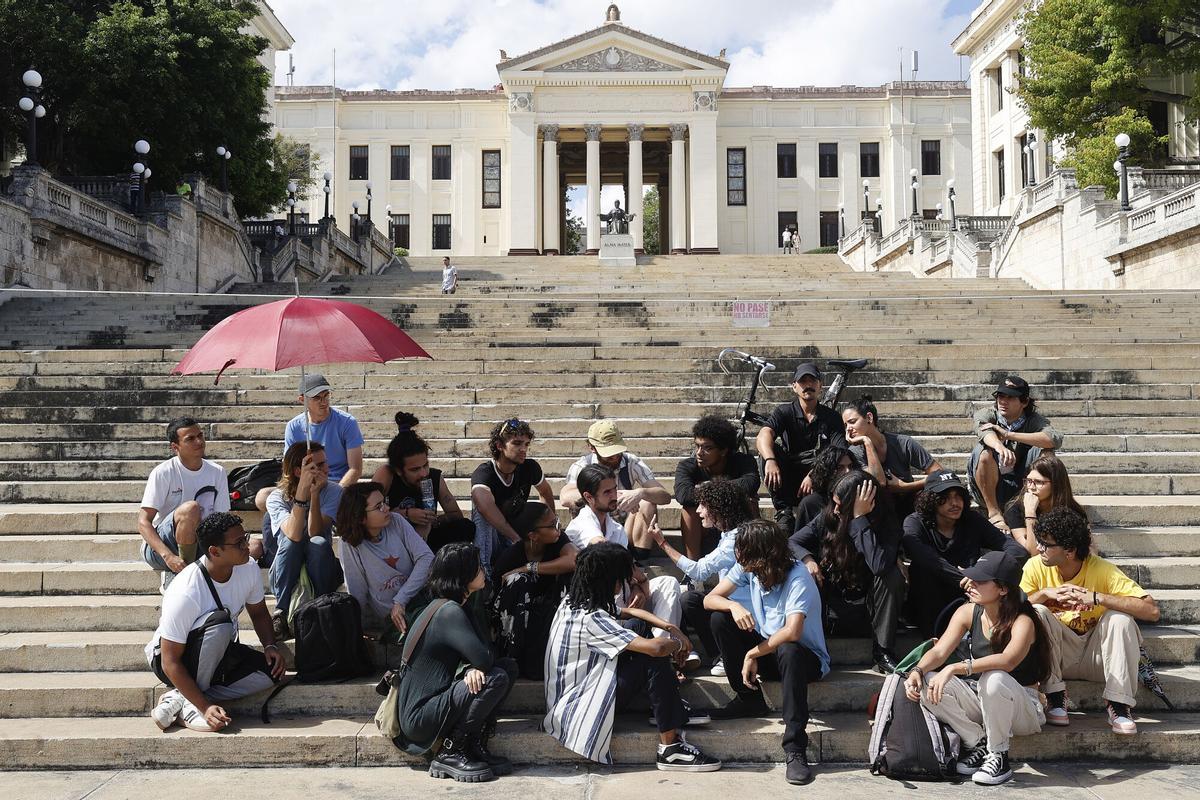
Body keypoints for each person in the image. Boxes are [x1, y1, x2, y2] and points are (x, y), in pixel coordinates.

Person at [543, 542, 722, 771]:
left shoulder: (574, 601)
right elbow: (655, 649)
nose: (625, 583)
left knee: (638, 625)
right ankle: (670, 749)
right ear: (610, 580)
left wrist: (670, 627)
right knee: (653, 657)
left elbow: (629, 612)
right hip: (577, 709)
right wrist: (679, 644)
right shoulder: (592, 620)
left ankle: (666, 706)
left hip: (576, 693)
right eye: (621, 579)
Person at [904, 550, 1051, 786]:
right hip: (984, 698)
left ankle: (999, 756)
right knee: (928, 682)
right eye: (971, 578)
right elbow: (940, 651)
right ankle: (977, 741)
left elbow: (1008, 661)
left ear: (1003, 589)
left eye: (980, 581)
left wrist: (955, 668)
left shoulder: (1024, 621)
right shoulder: (968, 611)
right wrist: (916, 672)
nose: (970, 584)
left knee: (994, 677)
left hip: (1023, 707)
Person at [704, 519, 830, 785]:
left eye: (743, 550)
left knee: (788, 648)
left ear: (761, 554)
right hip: (770, 651)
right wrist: (733, 607)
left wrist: (752, 654)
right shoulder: (749, 568)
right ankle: (748, 698)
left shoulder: (798, 577)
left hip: (804, 660)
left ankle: (795, 748)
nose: (738, 555)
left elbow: (792, 632)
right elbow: (709, 598)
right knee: (719, 618)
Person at [1021, 507, 1161, 734]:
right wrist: (1045, 594)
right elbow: (1011, 611)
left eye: (1046, 544)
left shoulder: (1102, 569)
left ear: (1069, 550)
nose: (1039, 548)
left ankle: (1119, 704)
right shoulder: (1034, 566)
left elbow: (1151, 610)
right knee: (1035, 610)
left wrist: (1097, 598)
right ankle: (1055, 696)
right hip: (1057, 656)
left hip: (1098, 658)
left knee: (1120, 619)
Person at [145, 512, 284, 733]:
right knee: (220, 625)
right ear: (215, 551)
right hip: (170, 659)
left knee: (271, 673)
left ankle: (181, 696)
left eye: (245, 537)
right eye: (239, 543)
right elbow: (169, 661)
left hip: (218, 651)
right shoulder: (186, 590)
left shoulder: (248, 567)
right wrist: (206, 707)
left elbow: (258, 613)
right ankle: (194, 705)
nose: (247, 546)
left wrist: (270, 645)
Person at [394, 543, 518, 783]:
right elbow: (483, 657)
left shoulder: (455, 605)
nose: (484, 570)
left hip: (432, 705)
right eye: (478, 567)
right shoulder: (448, 611)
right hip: (419, 717)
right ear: (463, 575)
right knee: (495, 678)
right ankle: (452, 750)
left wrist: (475, 666)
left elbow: (485, 655)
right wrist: (476, 666)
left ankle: (472, 743)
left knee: (507, 668)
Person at [790, 470, 906, 673]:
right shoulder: (827, 518)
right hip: (833, 608)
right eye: (833, 502)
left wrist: (859, 519)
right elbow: (791, 542)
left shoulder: (888, 525)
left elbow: (879, 565)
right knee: (802, 570)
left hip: (870, 612)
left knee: (892, 575)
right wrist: (808, 560)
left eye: (840, 505)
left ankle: (882, 651)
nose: (835, 510)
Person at [566, 465, 685, 650]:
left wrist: (636, 586)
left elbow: (624, 566)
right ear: (589, 497)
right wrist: (641, 578)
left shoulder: (616, 528)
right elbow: (605, 551)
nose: (614, 495)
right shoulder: (581, 524)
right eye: (607, 492)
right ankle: (658, 650)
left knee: (667, 583)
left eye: (614, 489)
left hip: (623, 595)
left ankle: (666, 647)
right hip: (600, 604)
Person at [901, 470, 1028, 636]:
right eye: (945, 497)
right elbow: (927, 559)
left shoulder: (972, 520)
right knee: (924, 572)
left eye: (958, 496)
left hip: (972, 593)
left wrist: (988, 571)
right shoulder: (915, 522)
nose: (954, 503)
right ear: (930, 500)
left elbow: (1015, 549)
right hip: (931, 598)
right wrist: (963, 578)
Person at [652, 480, 758, 674]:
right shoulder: (729, 534)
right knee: (689, 599)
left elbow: (699, 571)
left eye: (703, 505)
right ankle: (719, 654)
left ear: (718, 508)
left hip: (747, 615)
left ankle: (727, 658)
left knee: (696, 603)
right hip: (734, 606)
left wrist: (662, 543)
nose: (699, 511)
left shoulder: (735, 539)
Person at [137, 417, 231, 593]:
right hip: (161, 548)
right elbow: (143, 522)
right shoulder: (163, 472)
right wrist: (168, 556)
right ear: (175, 447)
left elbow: (222, 519)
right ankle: (182, 576)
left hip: (201, 542)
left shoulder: (217, 472)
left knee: (254, 547)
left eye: (200, 435)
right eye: (190, 439)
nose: (199, 441)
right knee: (191, 509)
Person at [263, 442, 345, 639]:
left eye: (326, 463)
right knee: (292, 541)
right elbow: (293, 533)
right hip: (287, 569)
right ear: (299, 471)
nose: (327, 469)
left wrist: (315, 495)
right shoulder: (276, 498)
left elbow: (315, 531)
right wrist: (302, 492)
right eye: (319, 465)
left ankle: (322, 606)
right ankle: (280, 612)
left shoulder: (333, 491)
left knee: (317, 542)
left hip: (320, 565)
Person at [255, 373, 365, 513]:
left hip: (338, 484)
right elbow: (289, 468)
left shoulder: (347, 422)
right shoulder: (294, 426)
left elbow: (355, 469)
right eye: (317, 398)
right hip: (305, 484)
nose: (324, 401)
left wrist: (337, 491)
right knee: (262, 497)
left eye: (326, 395)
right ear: (302, 400)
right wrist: (302, 488)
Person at [559, 420, 671, 558]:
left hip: (623, 529)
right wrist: (611, 496)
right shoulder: (581, 466)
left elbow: (665, 496)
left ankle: (639, 557)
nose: (614, 457)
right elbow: (565, 497)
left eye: (617, 450)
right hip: (594, 529)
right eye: (608, 453)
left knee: (647, 501)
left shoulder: (631, 461)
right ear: (591, 447)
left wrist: (640, 493)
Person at [492, 502, 577, 679]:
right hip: (516, 621)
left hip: (547, 613)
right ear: (533, 535)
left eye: (557, 521)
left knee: (569, 576)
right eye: (552, 525)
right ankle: (513, 657)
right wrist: (523, 572)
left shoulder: (558, 540)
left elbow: (575, 560)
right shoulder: (510, 558)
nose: (558, 527)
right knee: (517, 580)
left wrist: (530, 567)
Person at [336, 482, 435, 634]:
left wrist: (401, 599)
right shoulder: (349, 543)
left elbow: (427, 558)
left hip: (418, 599)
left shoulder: (396, 521)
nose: (387, 508)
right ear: (361, 517)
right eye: (378, 506)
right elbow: (357, 591)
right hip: (393, 619)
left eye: (384, 503)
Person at [758, 363, 846, 531]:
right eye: (802, 381)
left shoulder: (832, 417)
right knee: (768, 452)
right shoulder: (784, 412)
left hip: (819, 481)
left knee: (837, 457)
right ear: (794, 386)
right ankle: (784, 511)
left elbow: (840, 450)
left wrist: (814, 474)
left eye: (812, 381)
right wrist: (770, 460)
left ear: (820, 386)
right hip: (790, 478)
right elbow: (764, 434)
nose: (808, 385)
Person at [372, 412, 475, 552]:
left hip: (427, 536)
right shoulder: (387, 474)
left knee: (465, 527)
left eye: (425, 465)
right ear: (399, 470)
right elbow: (366, 513)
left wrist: (432, 521)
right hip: (395, 539)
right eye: (414, 470)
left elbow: (455, 514)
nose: (423, 473)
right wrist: (406, 514)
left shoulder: (433, 476)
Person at [967, 376, 1063, 525]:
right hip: (989, 488)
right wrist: (999, 446)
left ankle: (1042, 506)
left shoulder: (1034, 420)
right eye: (1000, 396)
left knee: (1047, 453)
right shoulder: (987, 414)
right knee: (983, 451)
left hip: (1023, 486)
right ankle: (994, 513)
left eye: (1010, 397)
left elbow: (1053, 439)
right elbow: (985, 432)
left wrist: (1008, 434)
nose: (1003, 401)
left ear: (1024, 402)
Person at [470, 419, 556, 572]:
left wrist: (551, 524)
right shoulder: (484, 473)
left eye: (526, 444)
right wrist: (515, 538)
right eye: (517, 443)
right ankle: (483, 571)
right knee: (481, 509)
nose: (523, 449)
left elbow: (545, 492)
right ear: (499, 446)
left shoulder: (529, 467)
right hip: (496, 538)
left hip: (519, 535)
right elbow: (484, 506)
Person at [675, 415, 761, 560]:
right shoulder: (687, 466)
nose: (699, 453)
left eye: (707, 448)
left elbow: (750, 484)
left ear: (723, 450)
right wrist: (722, 492)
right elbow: (683, 495)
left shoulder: (743, 462)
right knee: (688, 510)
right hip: (702, 526)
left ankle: (751, 562)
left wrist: (709, 487)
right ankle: (693, 572)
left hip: (734, 523)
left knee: (749, 502)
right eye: (697, 446)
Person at [842, 395, 940, 522]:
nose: (848, 428)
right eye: (845, 425)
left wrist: (905, 486)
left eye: (852, 422)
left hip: (909, 505)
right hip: (877, 511)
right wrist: (867, 442)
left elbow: (939, 474)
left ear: (869, 418)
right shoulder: (854, 452)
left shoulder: (903, 443)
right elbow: (880, 482)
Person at [1003, 454, 1088, 556]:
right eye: (1028, 481)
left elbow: (1087, 548)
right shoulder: (1015, 509)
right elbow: (1032, 552)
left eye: (1038, 482)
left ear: (1056, 484)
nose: (1031, 487)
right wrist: (1030, 514)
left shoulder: (1073, 511)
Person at [794, 445, 859, 530]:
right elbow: (798, 541)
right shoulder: (811, 504)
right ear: (828, 471)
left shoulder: (860, 498)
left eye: (850, 467)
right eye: (840, 467)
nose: (848, 471)